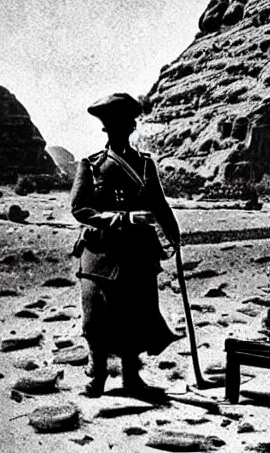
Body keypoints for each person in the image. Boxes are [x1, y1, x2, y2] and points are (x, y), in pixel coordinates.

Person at [70, 93, 181, 398]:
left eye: (123, 126)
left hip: (137, 251)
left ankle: (132, 379)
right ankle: (98, 378)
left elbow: (159, 203)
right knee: (94, 318)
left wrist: (174, 234)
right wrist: (121, 218)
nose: (118, 132)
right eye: (112, 127)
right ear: (105, 130)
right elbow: (79, 208)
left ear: (131, 128)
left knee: (135, 316)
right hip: (100, 252)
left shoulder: (145, 165)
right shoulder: (91, 165)